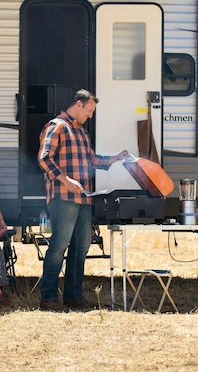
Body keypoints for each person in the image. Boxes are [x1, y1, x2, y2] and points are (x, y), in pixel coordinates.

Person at [37, 89, 130, 312]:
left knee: (81, 248)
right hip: (63, 197)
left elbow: (92, 160)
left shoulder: (82, 133)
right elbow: (44, 158)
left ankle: (73, 296)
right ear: (78, 104)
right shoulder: (57, 126)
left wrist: (115, 159)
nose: (90, 115)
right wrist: (66, 180)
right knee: (59, 245)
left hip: (84, 198)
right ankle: (48, 298)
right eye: (89, 110)